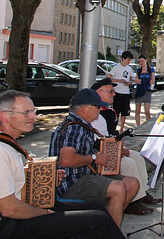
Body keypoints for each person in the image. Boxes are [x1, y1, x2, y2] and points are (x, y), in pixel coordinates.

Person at [0, 90, 125, 239]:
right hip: (11, 225)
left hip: (25, 209)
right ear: (5, 117)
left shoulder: (10, 145)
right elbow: (9, 209)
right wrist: (44, 213)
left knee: (97, 209)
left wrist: (46, 179)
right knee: (96, 221)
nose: (33, 116)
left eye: (33, 111)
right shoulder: (2, 151)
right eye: (26, 113)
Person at [49, 88, 139, 227]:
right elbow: (66, 160)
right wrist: (94, 158)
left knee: (132, 184)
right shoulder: (74, 128)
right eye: (97, 106)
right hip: (71, 183)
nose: (100, 109)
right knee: (118, 188)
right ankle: (110, 233)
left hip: (84, 177)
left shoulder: (82, 125)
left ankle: (103, 226)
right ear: (84, 108)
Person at [90, 78, 159, 216]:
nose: (113, 94)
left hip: (110, 149)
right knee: (129, 163)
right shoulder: (97, 113)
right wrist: (118, 151)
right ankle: (132, 202)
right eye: (110, 91)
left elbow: (112, 135)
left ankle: (142, 193)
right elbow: (98, 142)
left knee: (137, 157)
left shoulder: (108, 111)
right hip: (100, 155)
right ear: (98, 92)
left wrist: (121, 149)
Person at [108, 51, 134, 133]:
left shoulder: (129, 68)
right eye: (127, 60)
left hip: (126, 92)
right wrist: (119, 80)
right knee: (116, 111)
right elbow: (109, 78)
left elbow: (131, 78)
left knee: (124, 112)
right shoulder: (116, 67)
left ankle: (122, 128)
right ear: (123, 59)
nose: (128, 62)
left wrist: (129, 82)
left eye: (130, 60)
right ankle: (114, 127)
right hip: (117, 92)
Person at [133, 55, 154, 126]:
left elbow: (152, 81)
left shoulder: (151, 70)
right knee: (137, 110)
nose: (141, 63)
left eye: (142, 61)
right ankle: (138, 126)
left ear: (146, 60)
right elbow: (136, 80)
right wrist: (145, 81)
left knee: (147, 111)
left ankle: (148, 126)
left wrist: (142, 81)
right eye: (139, 61)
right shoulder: (138, 70)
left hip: (147, 91)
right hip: (139, 91)